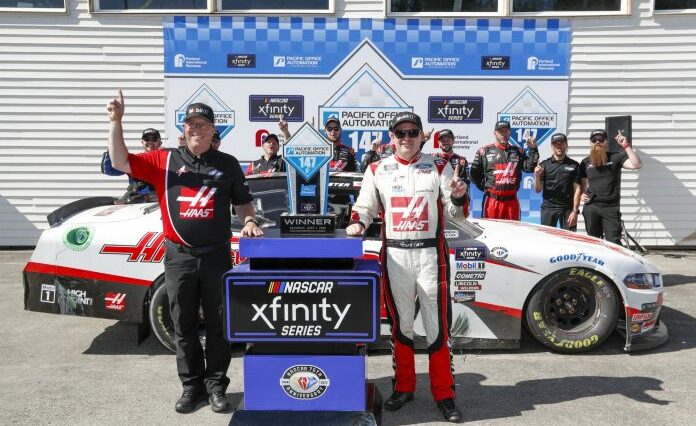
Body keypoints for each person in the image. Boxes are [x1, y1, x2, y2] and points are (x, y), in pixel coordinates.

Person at [106, 91, 263, 414]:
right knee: (184, 323)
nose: (197, 129)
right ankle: (191, 387)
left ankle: (216, 386)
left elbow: (242, 200)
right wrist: (116, 122)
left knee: (220, 324)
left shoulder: (228, 164)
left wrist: (248, 219)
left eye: (203, 124)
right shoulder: (165, 161)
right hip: (179, 256)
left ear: (212, 131)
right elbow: (120, 161)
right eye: (192, 124)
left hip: (216, 255)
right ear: (184, 128)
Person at [346, 112, 468, 423]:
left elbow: (455, 214)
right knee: (401, 327)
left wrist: (458, 196)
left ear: (421, 136)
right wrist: (358, 223)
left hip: (430, 257)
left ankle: (445, 393)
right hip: (396, 257)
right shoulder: (377, 169)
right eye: (400, 132)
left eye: (412, 132)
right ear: (391, 136)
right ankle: (404, 386)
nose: (406, 137)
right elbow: (364, 207)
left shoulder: (439, 165)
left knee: (437, 328)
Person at [580, 129, 642, 244]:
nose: (597, 142)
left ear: (606, 142)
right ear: (590, 143)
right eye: (594, 140)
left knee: (613, 242)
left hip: (610, 208)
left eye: (601, 139)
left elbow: (637, 164)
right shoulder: (584, 162)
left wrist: (626, 146)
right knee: (593, 242)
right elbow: (582, 183)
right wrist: (581, 195)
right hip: (591, 208)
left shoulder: (616, 157)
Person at [470, 121, 539, 220]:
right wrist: (485, 187)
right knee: (491, 232)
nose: (503, 134)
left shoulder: (518, 151)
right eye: (500, 131)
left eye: (505, 131)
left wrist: (533, 149)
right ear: (495, 133)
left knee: (513, 232)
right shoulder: (484, 151)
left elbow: (529, 168)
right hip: (492, 201)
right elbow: (474, 174)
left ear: (510, 132)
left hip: (512, 201)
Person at [534, 132, 581, 231]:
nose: (559, 147)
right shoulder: (544, 165)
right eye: (556, 144)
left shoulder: (574, 165)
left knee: (570, 240)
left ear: (566, 145)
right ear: (552, 146)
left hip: (567, 209)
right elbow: (537, 190)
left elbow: (577, 190)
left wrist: (575, 211)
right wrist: (537, 176)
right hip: (549, 208)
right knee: (547, 240)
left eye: (562, 143)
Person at [101, 127, 161, 203]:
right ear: (142, 142)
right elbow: (109, 170)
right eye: (147, 139)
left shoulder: (167, 158)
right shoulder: (135, 160)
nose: (150, 142)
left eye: (154, 139)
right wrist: (111, 149)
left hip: (157, 202)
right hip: (134, 201)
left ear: (160, 143)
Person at [433, 129, 471, 217]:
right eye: (443, 140)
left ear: (453, 141)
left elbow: (467, 184)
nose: (446, 142)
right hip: (436, 200)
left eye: (448, 139)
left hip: (454, 199)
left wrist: (464, 202)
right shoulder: (432, 159)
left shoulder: (461, 160)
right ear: (438, 142)